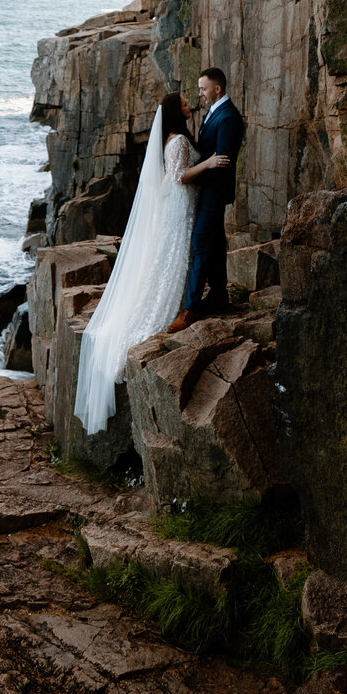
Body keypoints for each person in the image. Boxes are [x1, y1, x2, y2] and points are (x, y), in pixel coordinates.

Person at [72, 89, 231, 435]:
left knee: (178, 258)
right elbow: (177, 177)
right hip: (179, 207)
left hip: (183, 206)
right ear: (176, 112)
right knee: (173, 258)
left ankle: (182, 303)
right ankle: (168, 309)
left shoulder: (176, 138)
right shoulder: (175, 142)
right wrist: (208, 163)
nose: (191, 105)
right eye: (186, 103)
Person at [166, 67, 245, 333]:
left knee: (201, 243)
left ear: (217, 89)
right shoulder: (213, 111)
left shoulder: (229, 117)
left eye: (202, 88)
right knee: (214, 242)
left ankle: (191, 309)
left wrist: (201, 184)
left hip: (213, 192)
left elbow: (221, 161)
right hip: (204, 190)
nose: (199, 93)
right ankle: (219, 295)